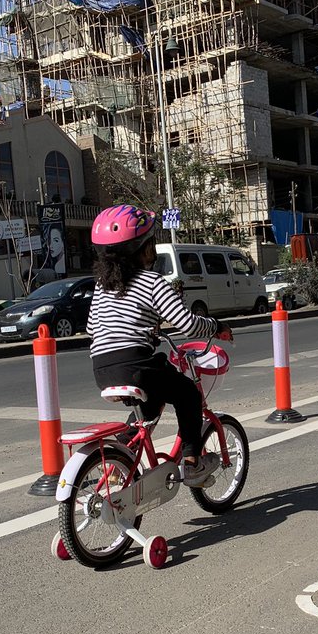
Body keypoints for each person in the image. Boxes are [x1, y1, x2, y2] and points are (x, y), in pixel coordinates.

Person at [86, 204, 233, 486]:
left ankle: (121, 458)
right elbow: (187, 324)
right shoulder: (152, 282)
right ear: (142, 249)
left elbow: (93, 329)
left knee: (150, 405)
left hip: (102, 368)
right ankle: (192, 464)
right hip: (136, 364)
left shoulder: (101, 288)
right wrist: (216, 326)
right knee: (188, 393)